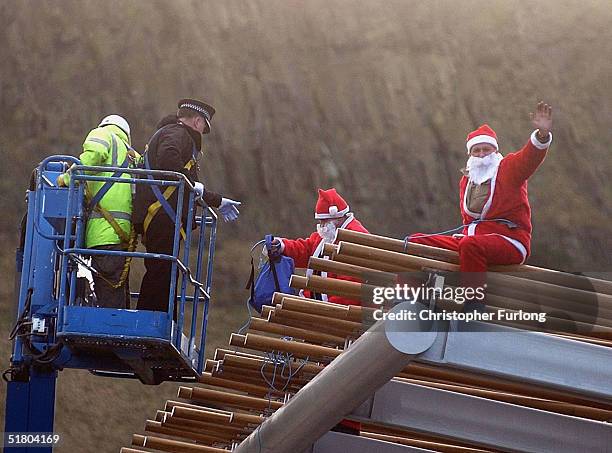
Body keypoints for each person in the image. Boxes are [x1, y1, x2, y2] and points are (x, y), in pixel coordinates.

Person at [409, 102, 553, 304]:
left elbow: (529, 158)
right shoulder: (467, 180)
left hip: (510, 240)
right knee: (417, 241)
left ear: (495, 151)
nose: (481, 154)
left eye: (486, 149)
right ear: (470, 155)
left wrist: (541, 135)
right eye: (476, 151)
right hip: (473, 239)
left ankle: (473, 305)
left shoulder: (508, 168)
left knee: (470, 246)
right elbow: (469, 223)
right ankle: (413, 300)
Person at [134, 98, 241, 313]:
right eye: (204, 126)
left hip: (163, 215)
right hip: (161, 215)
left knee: (163, 269)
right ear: (198, 121)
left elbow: (185, 186)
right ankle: (153, 321)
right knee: (161, 269)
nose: (203, 131)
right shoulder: (177, 134)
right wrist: (196, 187)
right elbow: (169, 161)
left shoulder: (173, 133)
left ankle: (163, 319)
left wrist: (215, 200)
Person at [57, 114, 137, 308]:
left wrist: (67, 179)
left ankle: (113, 334)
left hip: (103, 233)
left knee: (108, 293)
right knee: (116, 289)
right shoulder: (132, 156)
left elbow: (93, 156)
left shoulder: (103, 134)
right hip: (121, 234)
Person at [271, 188, 369, 306]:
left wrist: (326, 309)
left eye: (324, 221)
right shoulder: (329, 234)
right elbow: (306, 250)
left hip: (335, 310)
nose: (321, 226)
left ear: (337, 217)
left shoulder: (355, 238)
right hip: (319, 305)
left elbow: (351, 287)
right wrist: (281, 246)